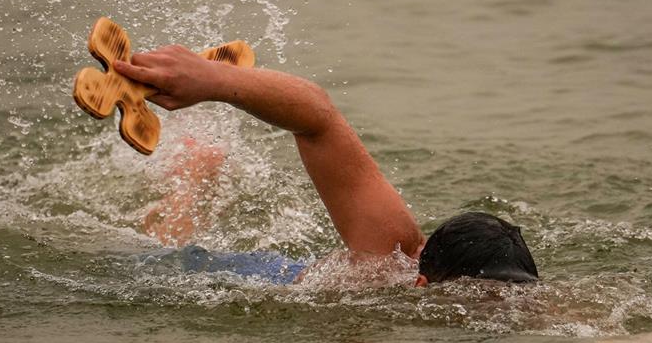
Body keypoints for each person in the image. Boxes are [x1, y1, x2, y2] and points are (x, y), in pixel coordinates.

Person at [114, 45, 538, 287]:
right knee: (156, 257)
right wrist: (214, 80)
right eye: (482, 302)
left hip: (305, 268)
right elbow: (318, 117)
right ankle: (192, 176)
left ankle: (198, 167)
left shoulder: (522, 292)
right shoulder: (387, 254)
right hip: (258, 278)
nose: (501, 314)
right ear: (422, 280)